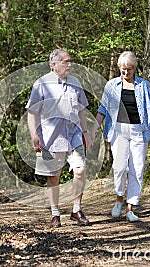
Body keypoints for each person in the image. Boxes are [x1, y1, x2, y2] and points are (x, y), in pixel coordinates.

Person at [91, 51, 150, 222]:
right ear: (119, 68)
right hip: (119, 131)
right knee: (120, 167)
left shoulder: (144, 86)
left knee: (137, 169)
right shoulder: (111, 86)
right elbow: (102, 110)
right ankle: (118, 199)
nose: (125, 73)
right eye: (123, 69)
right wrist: (93, 130)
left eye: (129, 69)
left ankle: (131, 207)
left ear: (134, 68)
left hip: (140, 130)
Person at [26, 48, 93, 228]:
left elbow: (81, 111)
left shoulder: (75, 82)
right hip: (50, 138)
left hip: (74, 135)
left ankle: (76, 210)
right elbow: (32, 113)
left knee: (80, 170)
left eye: (70, 61)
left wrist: (86, 132)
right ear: (54, 64)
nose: (69, 64)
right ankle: (55, 213)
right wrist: (34, 134)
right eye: (66, 61)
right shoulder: (41, 84)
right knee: (53, 177)